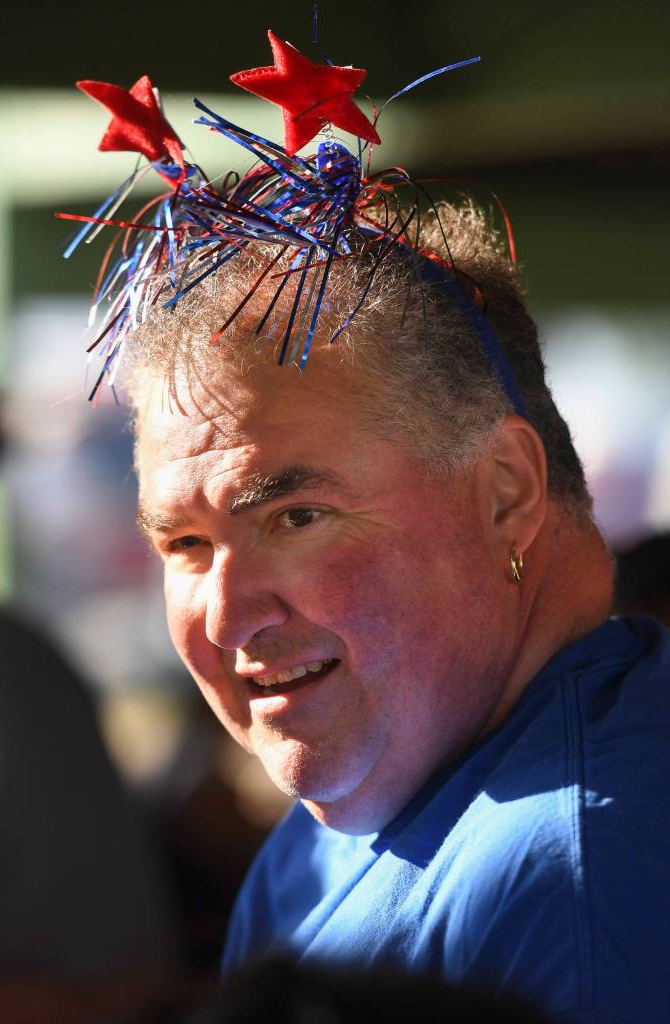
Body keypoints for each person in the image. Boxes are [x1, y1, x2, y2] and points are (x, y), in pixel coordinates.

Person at [64, 34, 670, 1024]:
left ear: (507, 490)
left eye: (296, 515)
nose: (223, 617)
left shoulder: (579, 874)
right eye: (182, 544)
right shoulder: (341, 824)